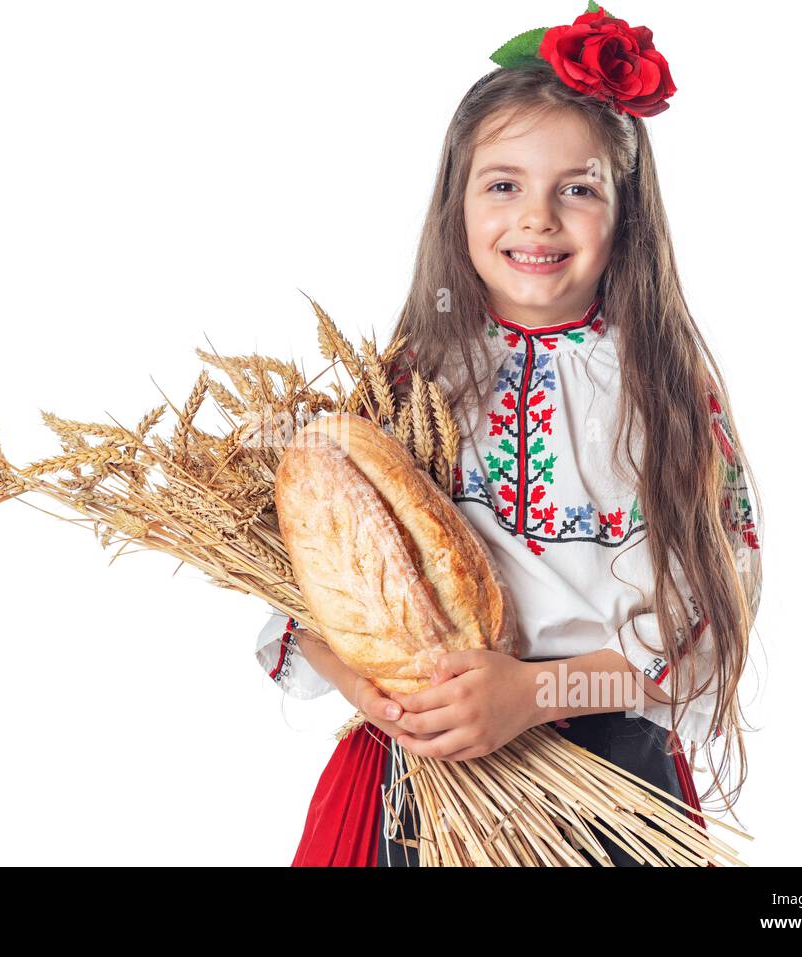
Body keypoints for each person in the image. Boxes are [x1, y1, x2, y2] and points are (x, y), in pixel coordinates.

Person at [253, 4, 763, 867]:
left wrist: (530, 693)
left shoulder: (666, 395)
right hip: (414, 785)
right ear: (456, 202)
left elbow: (707, 625)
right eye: (503, 184)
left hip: (602, 785)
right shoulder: (409, 384)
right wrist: (378, 695)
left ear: (627, 211)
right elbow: (309, 588)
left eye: (578, 187)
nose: (538, 218)